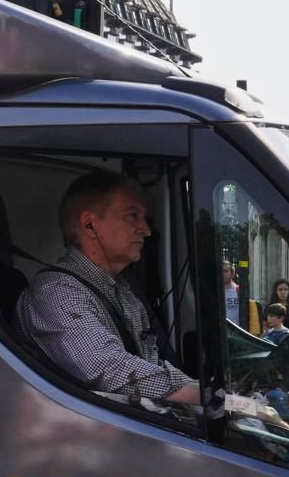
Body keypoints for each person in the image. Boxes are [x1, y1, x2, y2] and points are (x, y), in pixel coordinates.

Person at [21, 171, 200, 409]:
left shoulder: (124, 293)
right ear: (89, 224)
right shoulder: (56, 292)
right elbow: (107, 368)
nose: (145, 230)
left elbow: (150, 361)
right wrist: (203, 395)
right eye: (132, 216)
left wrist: (204, 393)